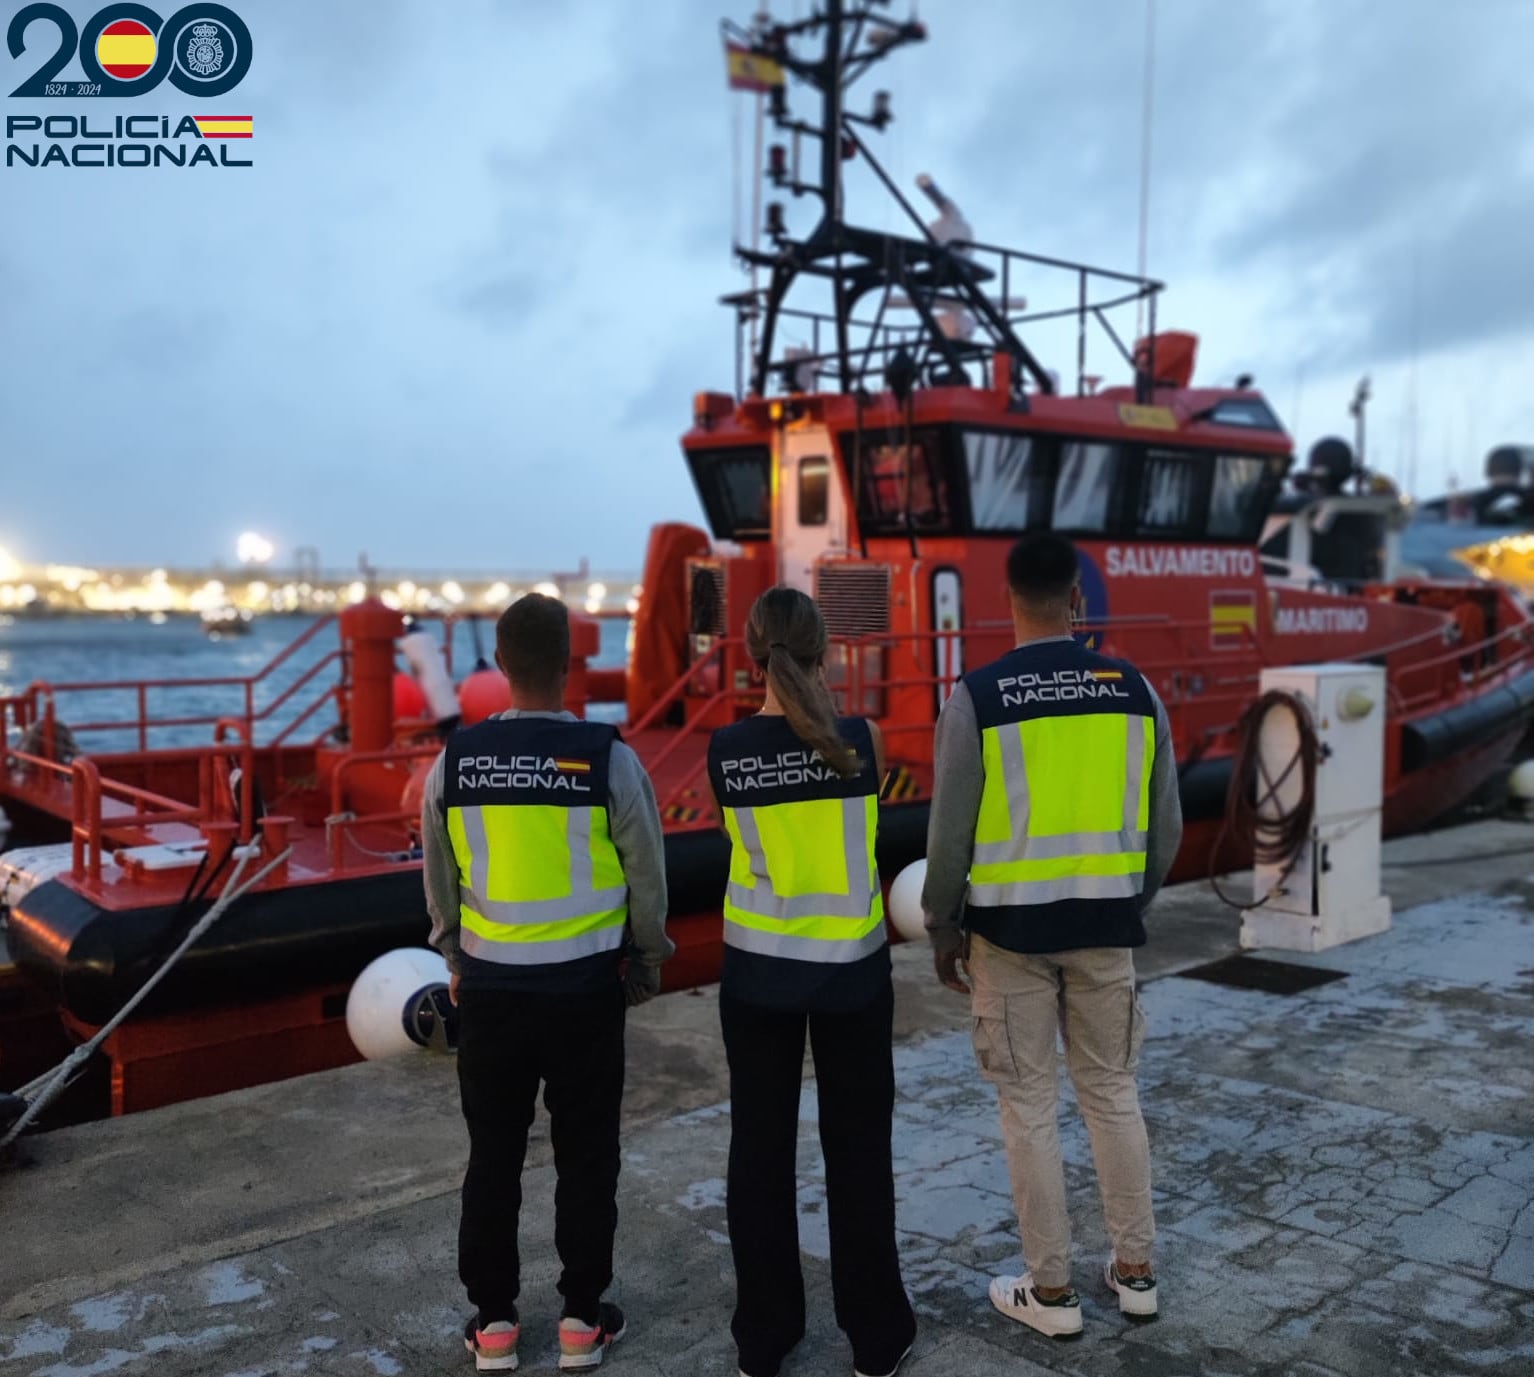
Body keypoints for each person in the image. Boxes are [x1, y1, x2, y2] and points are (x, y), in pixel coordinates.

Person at [921, 532, 1181, 1339]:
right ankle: (1135, 1273)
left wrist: (942, 925)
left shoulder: (979, 695)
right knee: (1112, 1092)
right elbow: (1164, 825)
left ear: (1009, 601)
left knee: (1028, 1104)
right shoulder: (1135, 689)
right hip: (1105, 927)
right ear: (1076, 599)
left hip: (1008, 937)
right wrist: (1124, 897)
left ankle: (1053, 1291)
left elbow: (949, 836)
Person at [422, 593, 674, 1372]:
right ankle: (579, 1320)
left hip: (493, 996)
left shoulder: (453, 762)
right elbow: (647, 874)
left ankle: (493, 1325)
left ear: (500, 665)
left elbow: (441, 883)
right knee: (587, 1158)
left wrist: (456, 962)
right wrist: (649, 960)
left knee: (492, 1158)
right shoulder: (609, 757)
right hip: (586, 994)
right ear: (571, 664)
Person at [705, 587, 916, 1377]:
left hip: (757, 978)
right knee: (859, 1154)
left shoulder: (724, 750)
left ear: (752, 654)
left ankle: (764, 1338)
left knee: (758, 1157)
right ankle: (876, 1335)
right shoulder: (865, 740)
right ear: (825, 650)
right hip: (853, 978)